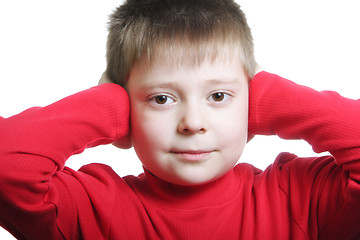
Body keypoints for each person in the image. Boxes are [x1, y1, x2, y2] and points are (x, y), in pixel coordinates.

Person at [1, 0, 359, 239]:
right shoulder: (96, 208)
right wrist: (107, 103)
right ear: (127, 112)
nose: (192, 122)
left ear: (251, 109)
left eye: (219, 96)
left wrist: (267, 97)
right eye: (161, 98)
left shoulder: (297, 197)